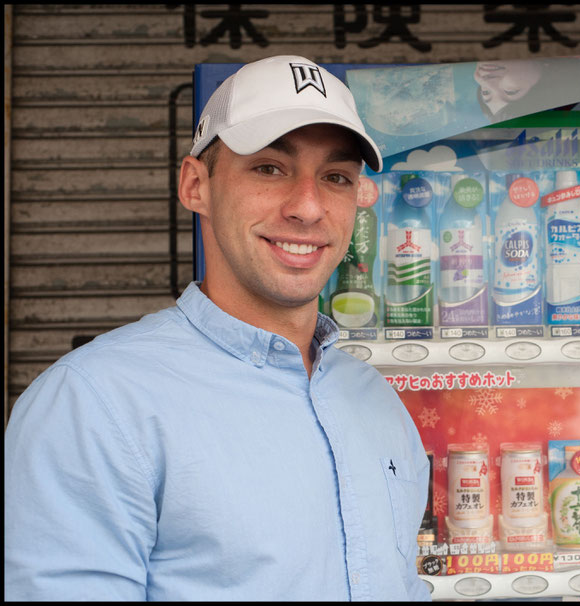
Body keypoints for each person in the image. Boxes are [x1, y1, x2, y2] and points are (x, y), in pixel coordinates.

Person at [4, 55, 431, 601]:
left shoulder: (374, 400)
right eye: (270, 168)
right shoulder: (92, 404)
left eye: (336, 177)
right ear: (195, 185)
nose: (307, 206)